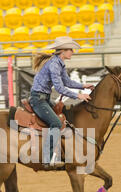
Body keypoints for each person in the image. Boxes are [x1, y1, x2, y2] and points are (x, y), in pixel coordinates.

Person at [30, 36, 94, 168]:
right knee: (55, 122)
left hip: (44, 98)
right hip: (39, 99)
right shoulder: (54, 64)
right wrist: (79, 96)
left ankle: (64, 150)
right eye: (70, 49)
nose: (73, 52)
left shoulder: (58, 63)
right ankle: (47, 158)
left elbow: (67, 82)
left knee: (64, 115)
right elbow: (59, 88)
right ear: (63, 51)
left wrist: (83, 86)